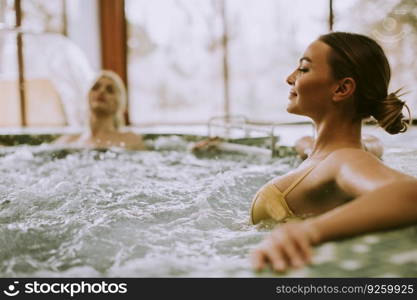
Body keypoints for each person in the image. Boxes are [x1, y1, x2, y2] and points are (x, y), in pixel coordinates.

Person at [250, 32, 417, 272]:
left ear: (342, 88)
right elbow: (366, 145)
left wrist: (309, 232)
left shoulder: (345, 159)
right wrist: (308, 147)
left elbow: (412, 194)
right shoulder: (341, 152)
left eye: (303, 69)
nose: (289, 78)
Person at [54, 70, 145, 150]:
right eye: (95, 87)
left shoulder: (129, 139)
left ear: (120, 103)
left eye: (110, 90)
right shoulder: (68, 141)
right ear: (88, 96)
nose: (101, 91)